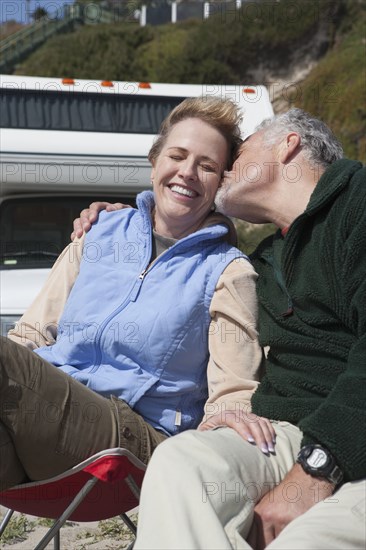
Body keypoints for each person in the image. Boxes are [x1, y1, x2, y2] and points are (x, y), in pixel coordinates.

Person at [74, 108, 366, 549]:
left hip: (344, 442)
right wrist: (129, 224)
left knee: (305, 540)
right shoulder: (264, 259)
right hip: (286, 438)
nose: (225, 169)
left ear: (287, 144)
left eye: (239, 152)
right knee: (182, 462)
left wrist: (316, 471)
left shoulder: (357, 202)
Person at [2, 96, 270, 494]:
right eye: (177, 156)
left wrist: (228, 428)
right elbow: (31, 335)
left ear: (220, 183)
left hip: (133, 442)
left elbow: (233, 390)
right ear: (154, 162)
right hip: (42, 427)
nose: (188, 173)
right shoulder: (97, 232)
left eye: (207, 166)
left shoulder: (227, 271)